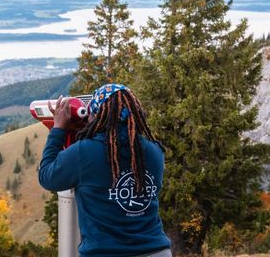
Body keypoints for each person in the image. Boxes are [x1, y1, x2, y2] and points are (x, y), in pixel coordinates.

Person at [38, 83, 172, 257]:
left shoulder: (84, 152)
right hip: (157, 251)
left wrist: (58, 130)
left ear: (96, 116)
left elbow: (47, 176)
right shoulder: (154, 151)